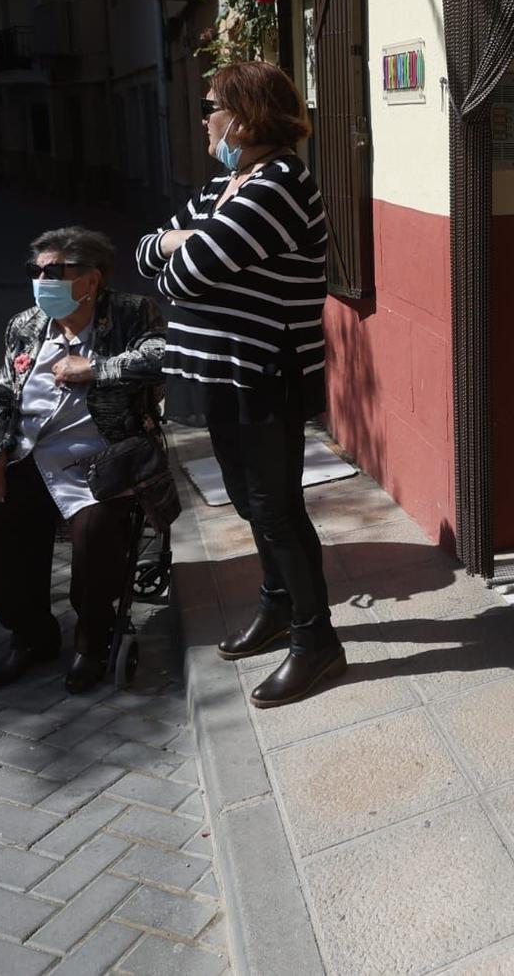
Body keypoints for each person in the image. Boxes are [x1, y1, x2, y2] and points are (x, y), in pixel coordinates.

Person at [137, 61, 340, 710]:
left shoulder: (277, 184)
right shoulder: (228, 184)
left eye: (210, 105)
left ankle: (317, 643)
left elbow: (182, 277)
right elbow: (145, 254)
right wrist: (177, 240)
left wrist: (180, 249)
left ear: (246, 115)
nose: (203, 119)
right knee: (252, 505)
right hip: (220, 375)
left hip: (263, 374)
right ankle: (278, 608)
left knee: (278, 509)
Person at [0, 227, 170, 693]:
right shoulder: (25, 325)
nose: (42, 280)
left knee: (97, 532)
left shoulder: (131, 313)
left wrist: (95, 369)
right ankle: (31, 635)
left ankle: (92, 640)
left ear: (91, 279)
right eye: (35, 271)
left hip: (104, 459)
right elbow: (2, 396)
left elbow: (161, 357)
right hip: (31, 457)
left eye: (55, 271)